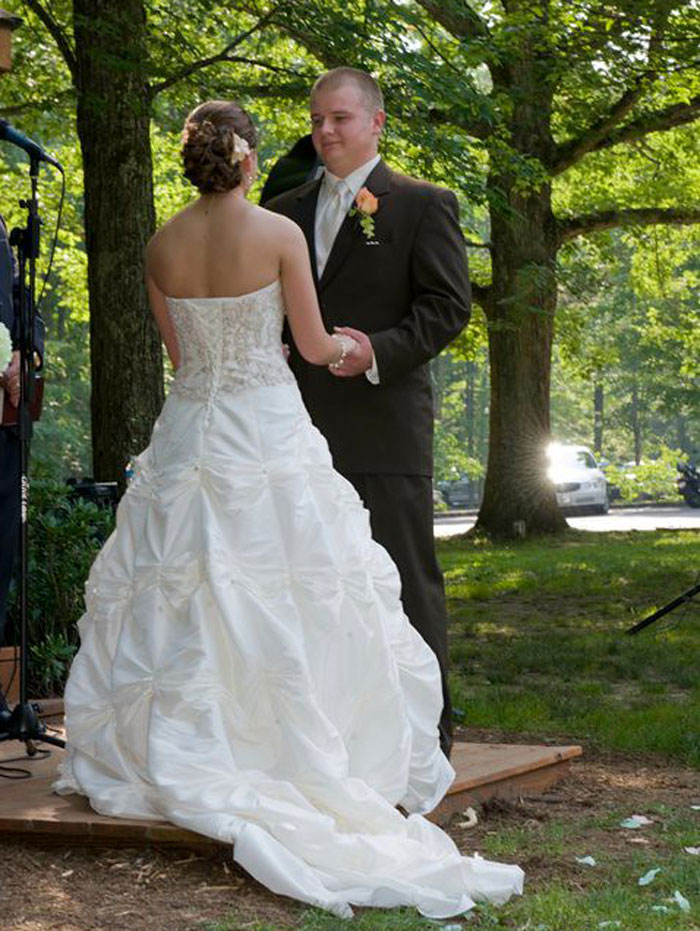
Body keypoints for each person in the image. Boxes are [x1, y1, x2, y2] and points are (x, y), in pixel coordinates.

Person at [55, 100, 523, 918]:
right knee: (291, 584)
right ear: (245, 159)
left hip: (191, 429)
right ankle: (296, 746)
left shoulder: (160, 244)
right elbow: (310, 347)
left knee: (190, 586)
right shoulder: (279, 234)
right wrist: (351, 347)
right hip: (265, 427)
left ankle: (188, 743)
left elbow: (180, 356)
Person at [266, 68, 471, 759]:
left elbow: (448, 307)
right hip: (297, 431)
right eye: (317, 119)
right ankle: (338, 735)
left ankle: (430, 737)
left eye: (341, 119)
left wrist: (374, 351)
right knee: (314, 584)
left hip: (385, 425)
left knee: (407, 579)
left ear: (377, 123)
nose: (325, 131)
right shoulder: (284, 211)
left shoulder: (422, 204)